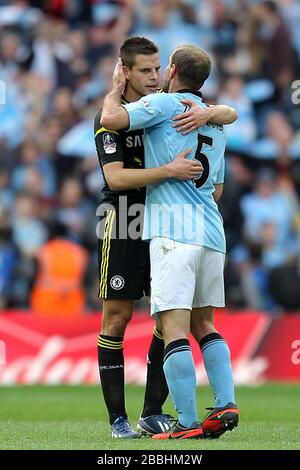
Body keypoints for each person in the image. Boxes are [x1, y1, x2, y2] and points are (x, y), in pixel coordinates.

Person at [96, 37, 237, 439]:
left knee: (167, 320)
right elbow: (115, 178)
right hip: (124, 217)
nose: (154, 76)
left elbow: (227, 111)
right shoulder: (118, 113)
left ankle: (154, 411)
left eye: (158, 68)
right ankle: (118, 419)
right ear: (126, 72)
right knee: (120, 317)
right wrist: (171, 171)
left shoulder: (170, 108)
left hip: (167, 223)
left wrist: (214, 110)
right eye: (144, 70)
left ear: (170, 70)